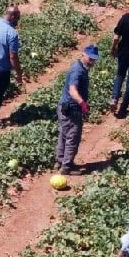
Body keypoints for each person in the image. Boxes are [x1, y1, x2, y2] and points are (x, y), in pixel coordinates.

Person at [55, 44, 100, 175]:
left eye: (94, 59)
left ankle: (60, 160)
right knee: (72, 137)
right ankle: (67, 166)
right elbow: (72, 90)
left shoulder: (81, 68)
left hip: (65, 107)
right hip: (72, 109)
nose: (92, 61)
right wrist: (82, 103)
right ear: (83, 54)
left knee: (64, 134)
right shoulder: (77, 71)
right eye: (90, 58)